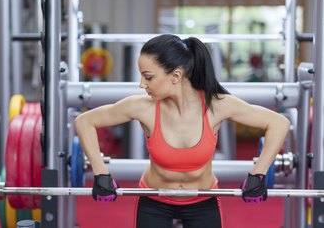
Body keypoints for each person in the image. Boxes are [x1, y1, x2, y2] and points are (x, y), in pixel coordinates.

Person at [74, 34, 290, 228]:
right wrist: (100, 172)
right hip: (154, 200)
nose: (142, 84)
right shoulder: (143, 107)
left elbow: (278, 123)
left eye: (148, 77)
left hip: (203, 201)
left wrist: (258, 173)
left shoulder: (216, 105)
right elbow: (85, 121)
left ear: (175, 76)